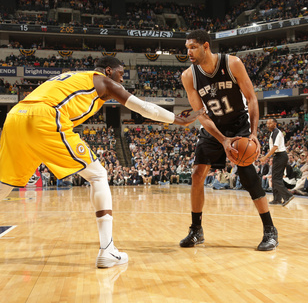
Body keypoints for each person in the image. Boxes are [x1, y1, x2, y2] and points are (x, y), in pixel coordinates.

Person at [0, 56, 203, 268]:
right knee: (98, 175)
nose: (122, 80)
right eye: (121, 74)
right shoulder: (103, 82)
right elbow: (143, 108)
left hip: (16, 115)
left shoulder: (77, 78)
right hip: (44, 115)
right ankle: (107, 250)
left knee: (5, 183)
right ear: (108, 70)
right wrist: (179, 120)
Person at [179, 30, 278, 251]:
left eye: (193, 47)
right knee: (197, 175)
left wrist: (253, 133)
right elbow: (200, 115)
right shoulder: (188, 76)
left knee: (248, 174)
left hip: (238, 124)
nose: (189, 52)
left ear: (206, 46)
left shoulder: (232, 63)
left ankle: (270, 230)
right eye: (187, 48)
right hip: (214, 127)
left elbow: (252, 98)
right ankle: (196, 230)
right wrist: (223, 140)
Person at [260, 118, 294, 205]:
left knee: (276, 179)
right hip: (278, 156)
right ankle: (277, 199)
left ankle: (288, 196)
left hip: (280, 156)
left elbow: (275, 147)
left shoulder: (276, 132)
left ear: (275, 124)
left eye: (270, 123)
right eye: (267, 123)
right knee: (275, 178)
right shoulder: (273, 132)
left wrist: (265, 157)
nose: (268, 125)